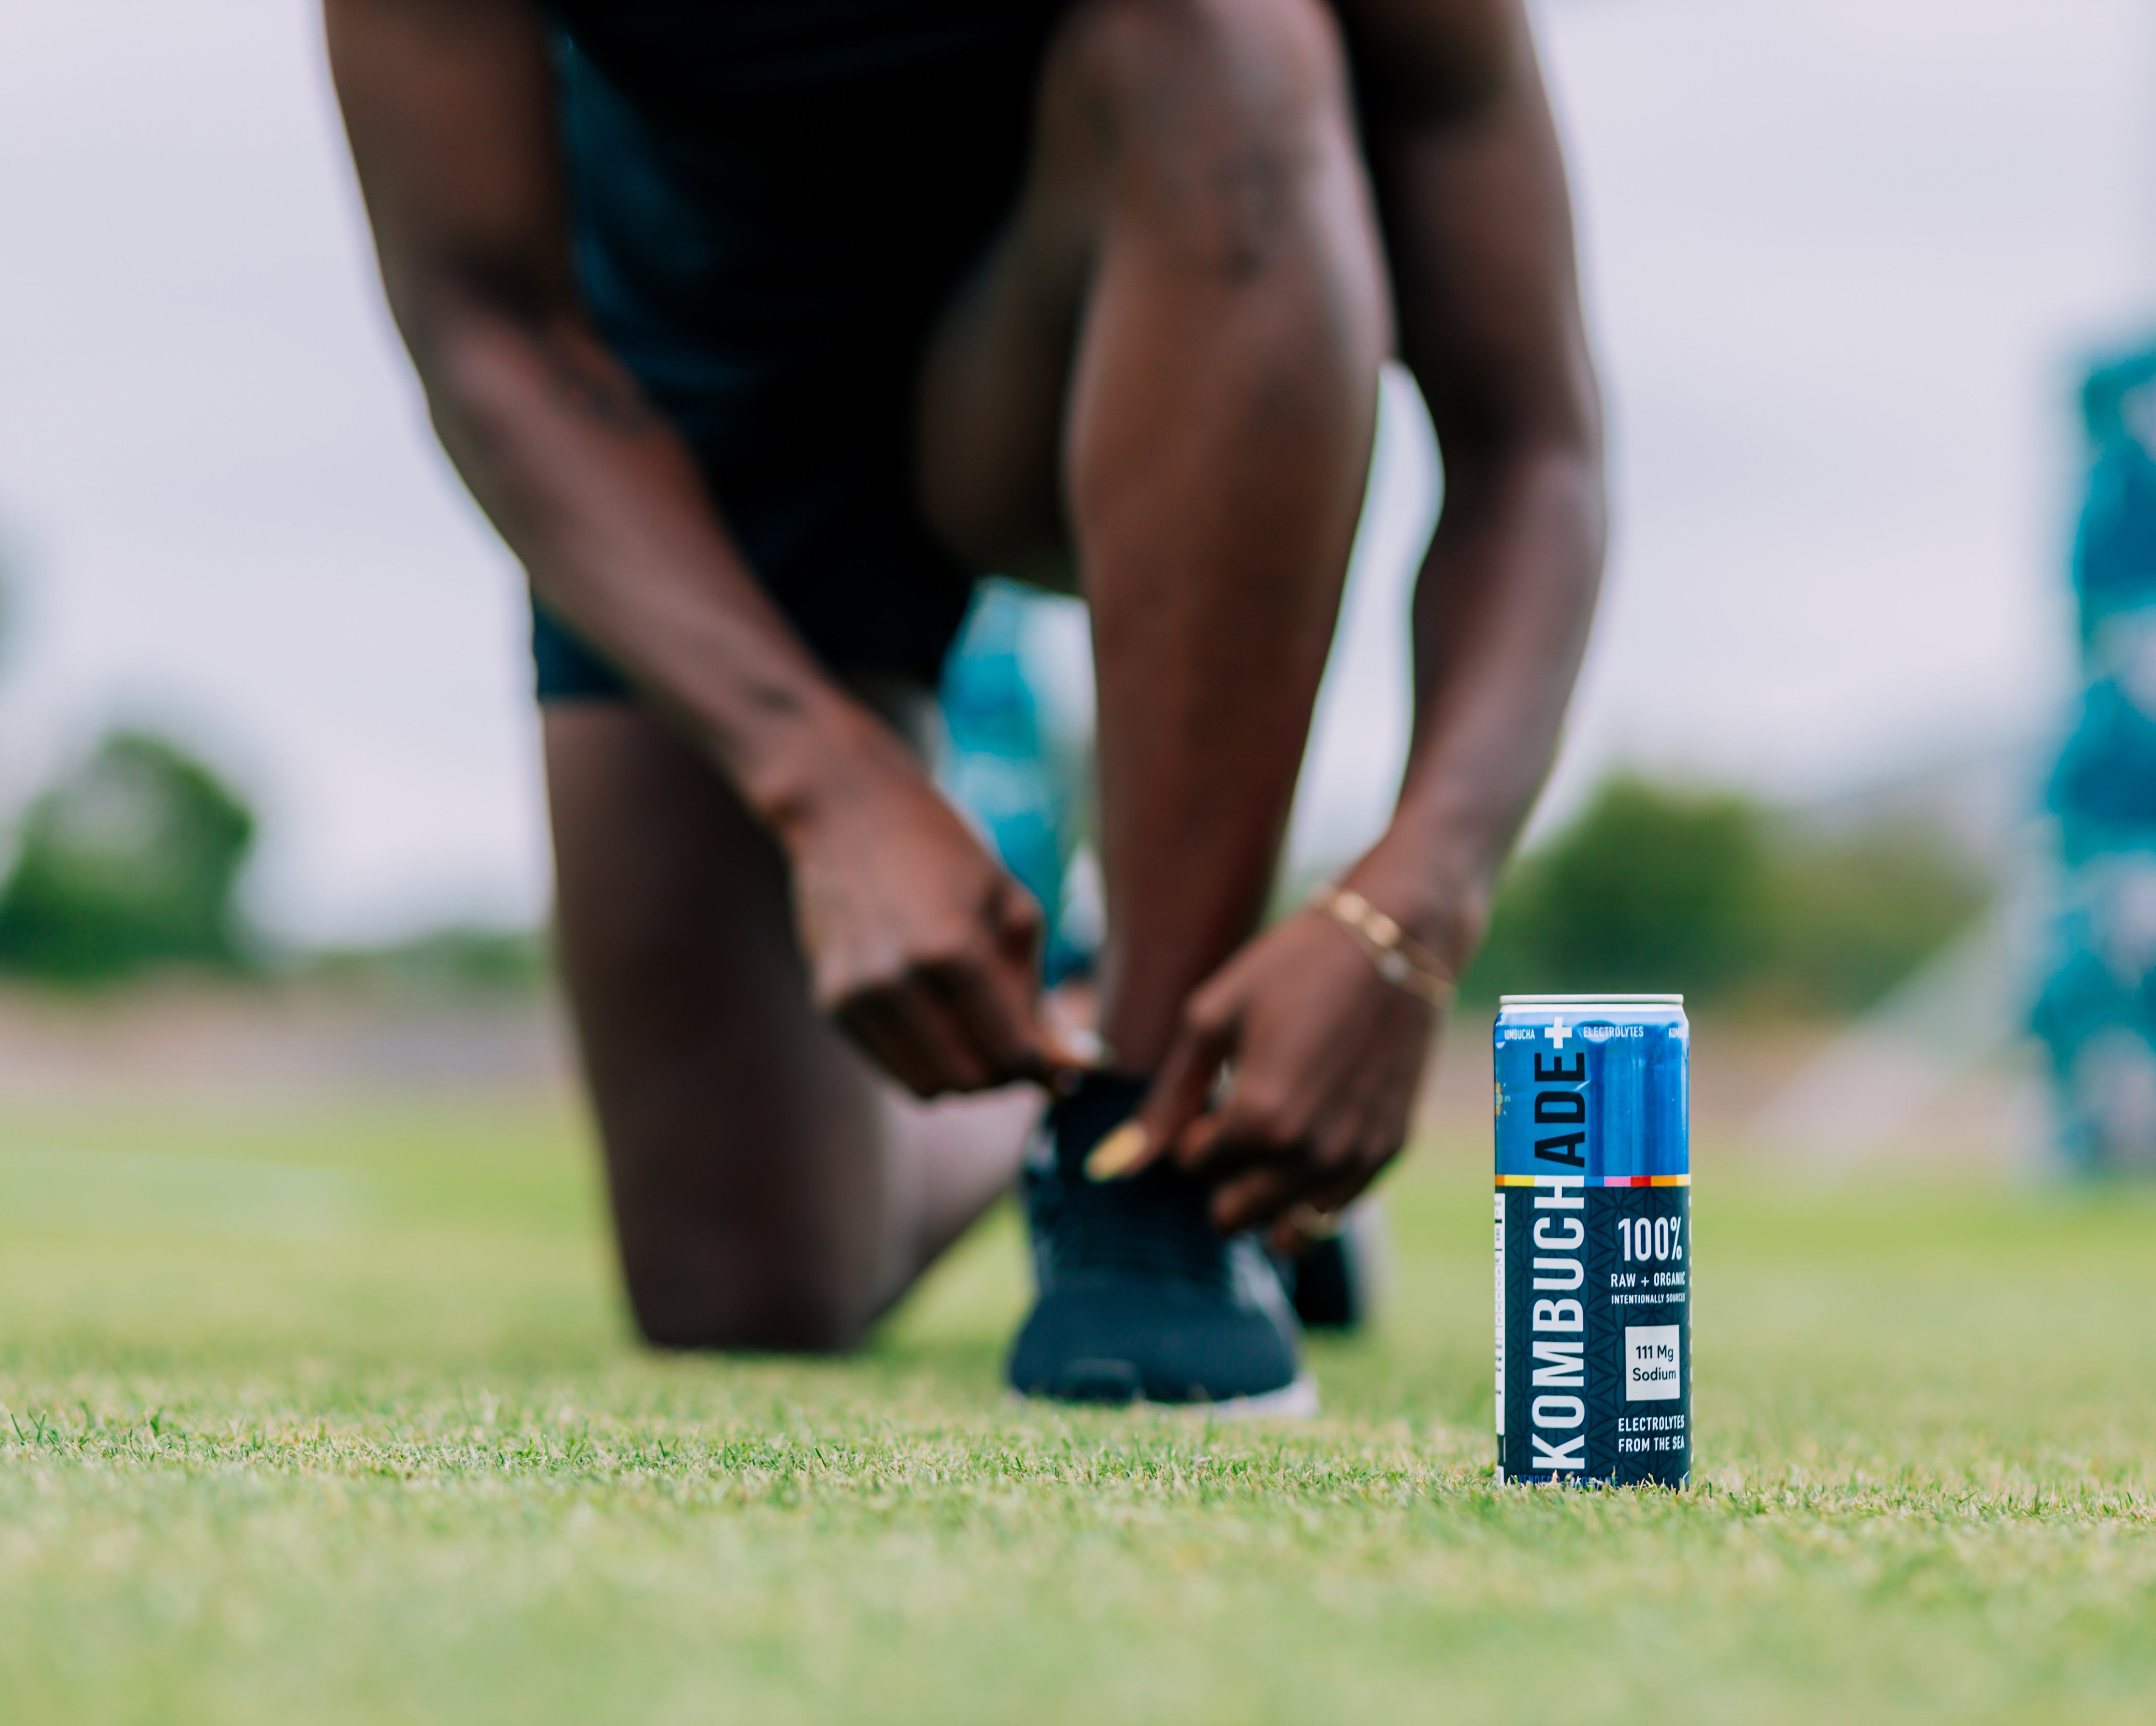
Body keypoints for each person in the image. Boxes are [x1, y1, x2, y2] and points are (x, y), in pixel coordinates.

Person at [324, 0, 1604, 1411]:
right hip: (703, 401)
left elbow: (1534, 442)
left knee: (1224, 37)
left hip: (1111, 304)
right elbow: (485, 331)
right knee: (742, 1285)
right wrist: (827, 782)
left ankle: (1153, 1127)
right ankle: (1078, 1052)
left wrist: (1412, 905)